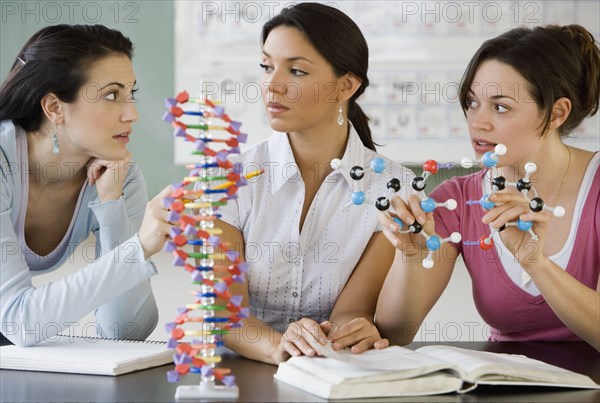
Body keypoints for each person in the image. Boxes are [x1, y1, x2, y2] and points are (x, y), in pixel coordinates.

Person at [376, 24, 600, 351]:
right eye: (471, 102)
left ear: (556, 113)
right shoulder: (456, 200)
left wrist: (534, 261)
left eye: (500, 106)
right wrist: (410, 256)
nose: (477, 122)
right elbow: (393, 335)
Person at [215, 3, 415, 364]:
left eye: (295, 71)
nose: (272, 85)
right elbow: (226, 315)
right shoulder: (227, 178)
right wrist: (281, 347)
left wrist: (348, 332)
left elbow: (351, 309)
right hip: (237, 371)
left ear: (346, 86)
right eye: (266, 66)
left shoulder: (393, 187)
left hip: (330, 366)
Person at [0, 24, 173, 346]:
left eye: (130, 94)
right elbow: (19, 321)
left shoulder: (118, 174)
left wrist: (111, 207)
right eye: (111, 95)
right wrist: (140, 248)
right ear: (54, 107)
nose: (132, 114)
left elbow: (125, 332)